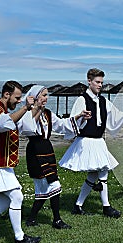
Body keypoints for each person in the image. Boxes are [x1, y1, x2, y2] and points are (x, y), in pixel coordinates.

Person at [59, 68, 123, 218]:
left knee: (93, 175)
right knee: (103, 171)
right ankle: (106, 207)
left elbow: (116, 116)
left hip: (98, 142)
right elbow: (73, 121)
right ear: (89, 81)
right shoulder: (82, 100)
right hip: (86, 142)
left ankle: (78, 205)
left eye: (101, 82)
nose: (100, 85)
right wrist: (82, 118)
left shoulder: (103, 101)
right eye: (97, 82)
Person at [18, 85, 91, 229]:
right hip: (35, 151)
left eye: (46, 95)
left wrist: (78, 116)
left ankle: (32, 219)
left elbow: (62, 125)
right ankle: (56, 219)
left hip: (47, 150)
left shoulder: (48, 114)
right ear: (35, 97)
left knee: (44, 188)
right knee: (53, 184)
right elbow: (27, 128)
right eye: (43, 95)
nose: (46, 98)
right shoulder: (27, 113)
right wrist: (36, 108)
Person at [0, 81, 41, 243]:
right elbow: (3, 124)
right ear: (6, 95)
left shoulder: (0, 111)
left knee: (4, 201)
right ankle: (19, 237)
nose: (18, 100)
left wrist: (35, 108)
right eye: (16, 97)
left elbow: (20, 126)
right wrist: (24, 108)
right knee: (16, 196)